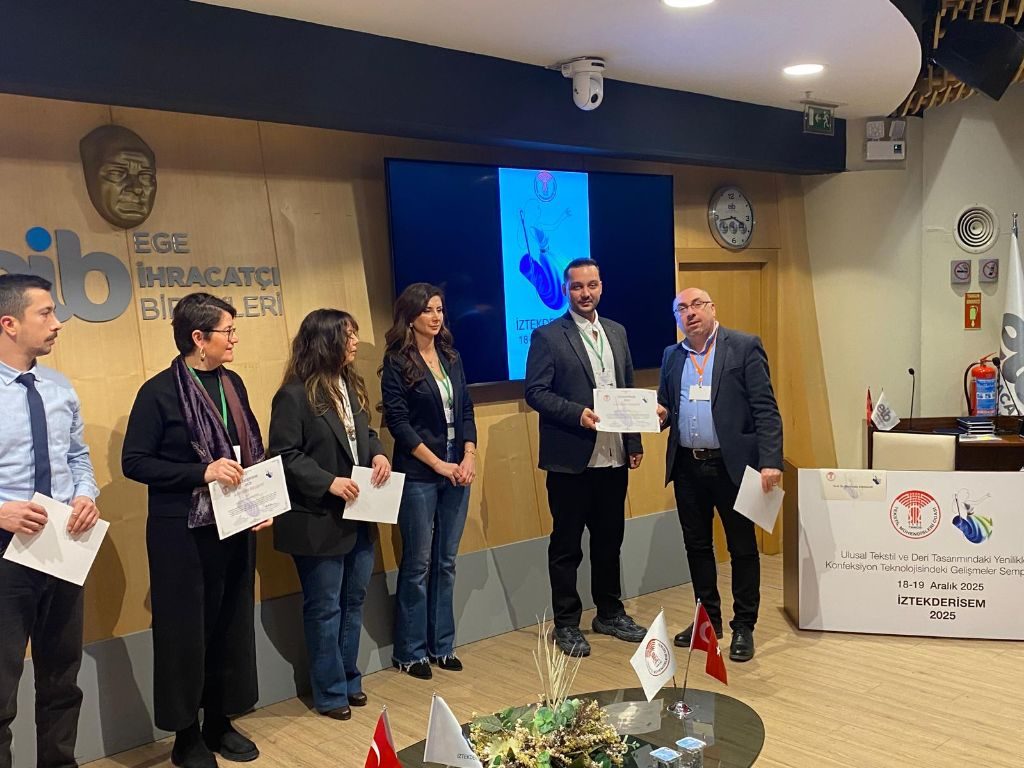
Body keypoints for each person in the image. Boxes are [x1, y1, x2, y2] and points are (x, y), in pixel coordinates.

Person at [122, 292, 270, 768]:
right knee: (185, 632)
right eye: (228, 331)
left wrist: (263, 502)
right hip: (181, 533)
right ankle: (186, 735)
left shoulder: (232, 383)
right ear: (199, 337)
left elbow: (250, 450)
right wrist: (201, 473)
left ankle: (219, 722)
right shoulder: (158, 392)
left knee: (230, 625)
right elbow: (134, 462)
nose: (235, 339)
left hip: (233, 525)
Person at [269, 309, 391, 721]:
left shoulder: (350, 384)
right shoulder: (293, 395)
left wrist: (378, 453)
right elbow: (284, 455)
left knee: (354, 601)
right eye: (348, 335)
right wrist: (328, 482)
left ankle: (350, 678)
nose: (355, 342)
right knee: (325, 608)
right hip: (317, 519)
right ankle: (330, 691)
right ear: (325, 342)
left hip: (359, 513)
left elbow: (364, 433)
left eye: (355, 334)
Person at [0, 274, 101, 768]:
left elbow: (78, 457)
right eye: (45, 313)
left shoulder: (59, 386)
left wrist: (85, 494)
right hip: (5, 553)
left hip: (64, 546)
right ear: (9, 323)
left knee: (62, 680)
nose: (58, 323)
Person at [524, 258, 647, 658]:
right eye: (577, 286)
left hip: (613, 457)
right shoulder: (547, 336)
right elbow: (535, 393)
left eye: (591, 285)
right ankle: (566, 623)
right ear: (565, 290)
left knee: (610, 542)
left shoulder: (617, 331)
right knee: (567, 547)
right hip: (570, 461)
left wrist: (634, 442)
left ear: (601, 286)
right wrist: (576, 413)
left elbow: (627, 388)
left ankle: (609, 613)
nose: (585, 293)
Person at [656, 287, 783, 663]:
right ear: (677, 318)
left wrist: (771, 460)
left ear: (712, 308)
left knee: (742, 547)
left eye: (697, 305)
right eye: (681, 308)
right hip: (687, 466)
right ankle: (707, 622)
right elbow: (667, 405)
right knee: (697, 547)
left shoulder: (743, 346)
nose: (690, 312)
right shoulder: (672, 355)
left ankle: (744, 625)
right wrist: (658, 414)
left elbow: (765, 408)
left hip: (734, 466)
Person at [380, 283, 477, 680]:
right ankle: (410, 651)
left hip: (457, 468)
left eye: (439, 309)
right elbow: (398, 423)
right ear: (410, 317)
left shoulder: (451, 356)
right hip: (420, 473)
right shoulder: (396, 361)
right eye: (428, 311)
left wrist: (469, 454)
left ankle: (442, 645)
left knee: (446, 562)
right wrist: (438, 464)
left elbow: (466, 408)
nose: (436, 317)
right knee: (418, 564)